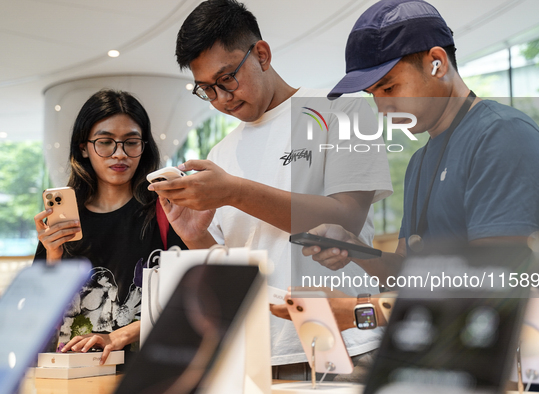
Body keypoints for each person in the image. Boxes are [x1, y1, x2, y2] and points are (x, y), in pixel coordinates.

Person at [298, 0, 539, 392]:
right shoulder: (420, 162)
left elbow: (492, 290)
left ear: (437, 62)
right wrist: (358, 250)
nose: (382, 106)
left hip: (514, 379)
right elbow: (415, 276)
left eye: (390, 87)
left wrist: (361, 311)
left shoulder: (502, 137)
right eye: (374, 93)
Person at [149, 0, 393, 379]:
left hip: (345, 342)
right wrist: (195, 237)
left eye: (227, 78)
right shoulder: (221, 153)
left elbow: (348, 217)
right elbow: (232, 273)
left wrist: (233, 192)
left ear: (261, 54)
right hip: (258, 354)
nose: (221, 99)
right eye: (207, 90)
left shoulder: (342, 110)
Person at [34, 89, 187, 365]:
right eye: (105, 142)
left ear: (144, 146)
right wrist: (53, 257)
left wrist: (120, 336)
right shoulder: (64, 219)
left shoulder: (167, 210)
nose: (119, 154)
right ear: (83, 147)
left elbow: (189, 300)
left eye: (131, 142)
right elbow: (37, 320)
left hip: (146, 375)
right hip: (72, 375)